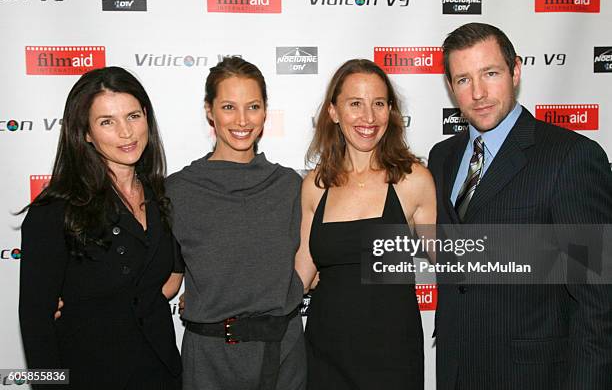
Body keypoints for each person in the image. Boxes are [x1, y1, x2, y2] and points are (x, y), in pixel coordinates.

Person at [427, 22, 612, 390]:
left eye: (490, 73)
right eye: (463, 80)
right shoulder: (442, 157)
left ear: (515, 71)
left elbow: (598, 298)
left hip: (534, 375)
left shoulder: (570, 157)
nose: (478, 93)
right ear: (450, 87)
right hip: (457, 371)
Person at [18, 67, 183, 389]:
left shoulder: (162, 198)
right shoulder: (54, 212)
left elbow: (162, 279)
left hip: (162, 373)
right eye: (107, 121)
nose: (126, 132)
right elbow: (36, 326)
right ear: (86, 133)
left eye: (133, 116)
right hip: (89, 376)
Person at [166, 57, 306, 390]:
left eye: (253, 106)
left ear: (265, 111)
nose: (242, 120)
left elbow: (319, 261)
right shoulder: (177, 190)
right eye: (229, 106)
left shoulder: (290, 186)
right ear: (209, 110)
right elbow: (165, 280)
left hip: (282, 357)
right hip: (209, 362)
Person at [296, 59, 436, 389]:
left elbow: (449, 260)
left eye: (379, 104)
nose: (369, 118)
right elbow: (300, 276)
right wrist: (226, 294)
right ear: (333, 112)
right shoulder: (315, 185)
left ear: (391, 110)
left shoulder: (412, 180)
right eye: (355, 104)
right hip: (326, 352)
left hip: (393, 356)